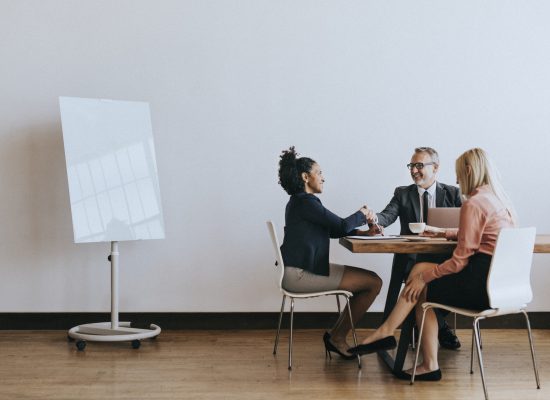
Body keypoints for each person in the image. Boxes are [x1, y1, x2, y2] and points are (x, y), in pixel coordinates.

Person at [349, 148, 516, 381]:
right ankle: (388, 333)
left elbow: (459, 261)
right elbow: (474, 232)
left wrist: (424, 279)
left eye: (459, 173)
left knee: (422, 288)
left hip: (478, 287)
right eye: (412, 166)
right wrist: (442, 233)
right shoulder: (495, 200)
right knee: (418, 272)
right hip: (500, 286)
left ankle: (416, 354)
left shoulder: (470, 201)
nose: (457, 179)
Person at [278, 146, 383, 360]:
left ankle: (337, 336)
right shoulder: (306, 202)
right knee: (373, 283)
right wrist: (362, 214)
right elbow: (343, 225)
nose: (324, 178)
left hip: (299, 270)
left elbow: (335, 229)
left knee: (372, 281)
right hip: (300, 275)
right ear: (306, 177)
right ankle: (337, 337)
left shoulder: (300, 203)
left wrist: (366, 233)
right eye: (320, 172)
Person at [364, 147, 462, 350]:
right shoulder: (402, 193)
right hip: (410, 261)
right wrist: (375, 220)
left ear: (435, 168)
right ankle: (439, 328)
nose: (414, 170)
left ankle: (431, 325)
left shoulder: (453, 193)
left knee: (452, 283)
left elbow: (466, 225)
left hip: (444, 260)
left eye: (419, 165)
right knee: (420, 277)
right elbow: (387, 216)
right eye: (411, 166)